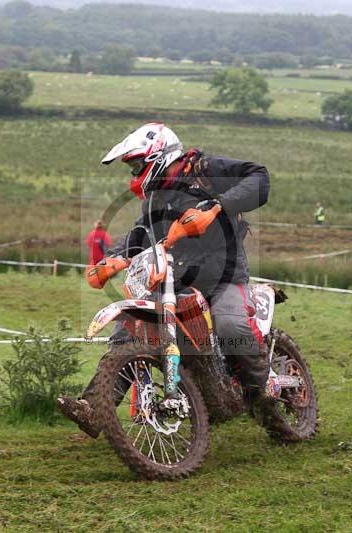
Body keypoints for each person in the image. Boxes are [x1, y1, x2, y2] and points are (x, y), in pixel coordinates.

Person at [57, 122, 285, 438]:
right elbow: (141, 232)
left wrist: (218, 206)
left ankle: (262, 397)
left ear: (159, 155)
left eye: (137, 165)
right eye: (132, 168)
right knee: (129, 328)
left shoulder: (203, 168)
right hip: (176, 280)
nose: (134, 174)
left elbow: (259, 177)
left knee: (230, 325)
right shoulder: (155, 197)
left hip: (224, 274)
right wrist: (112, 258)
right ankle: (95, 410)